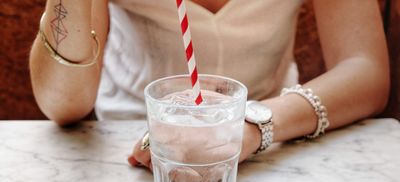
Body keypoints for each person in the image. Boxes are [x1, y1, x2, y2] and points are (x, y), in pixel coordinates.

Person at [30, 0, 390, 170]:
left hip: (275, 149)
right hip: (130, 156)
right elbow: (62, 105)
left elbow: (365, 70)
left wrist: (250, 125)